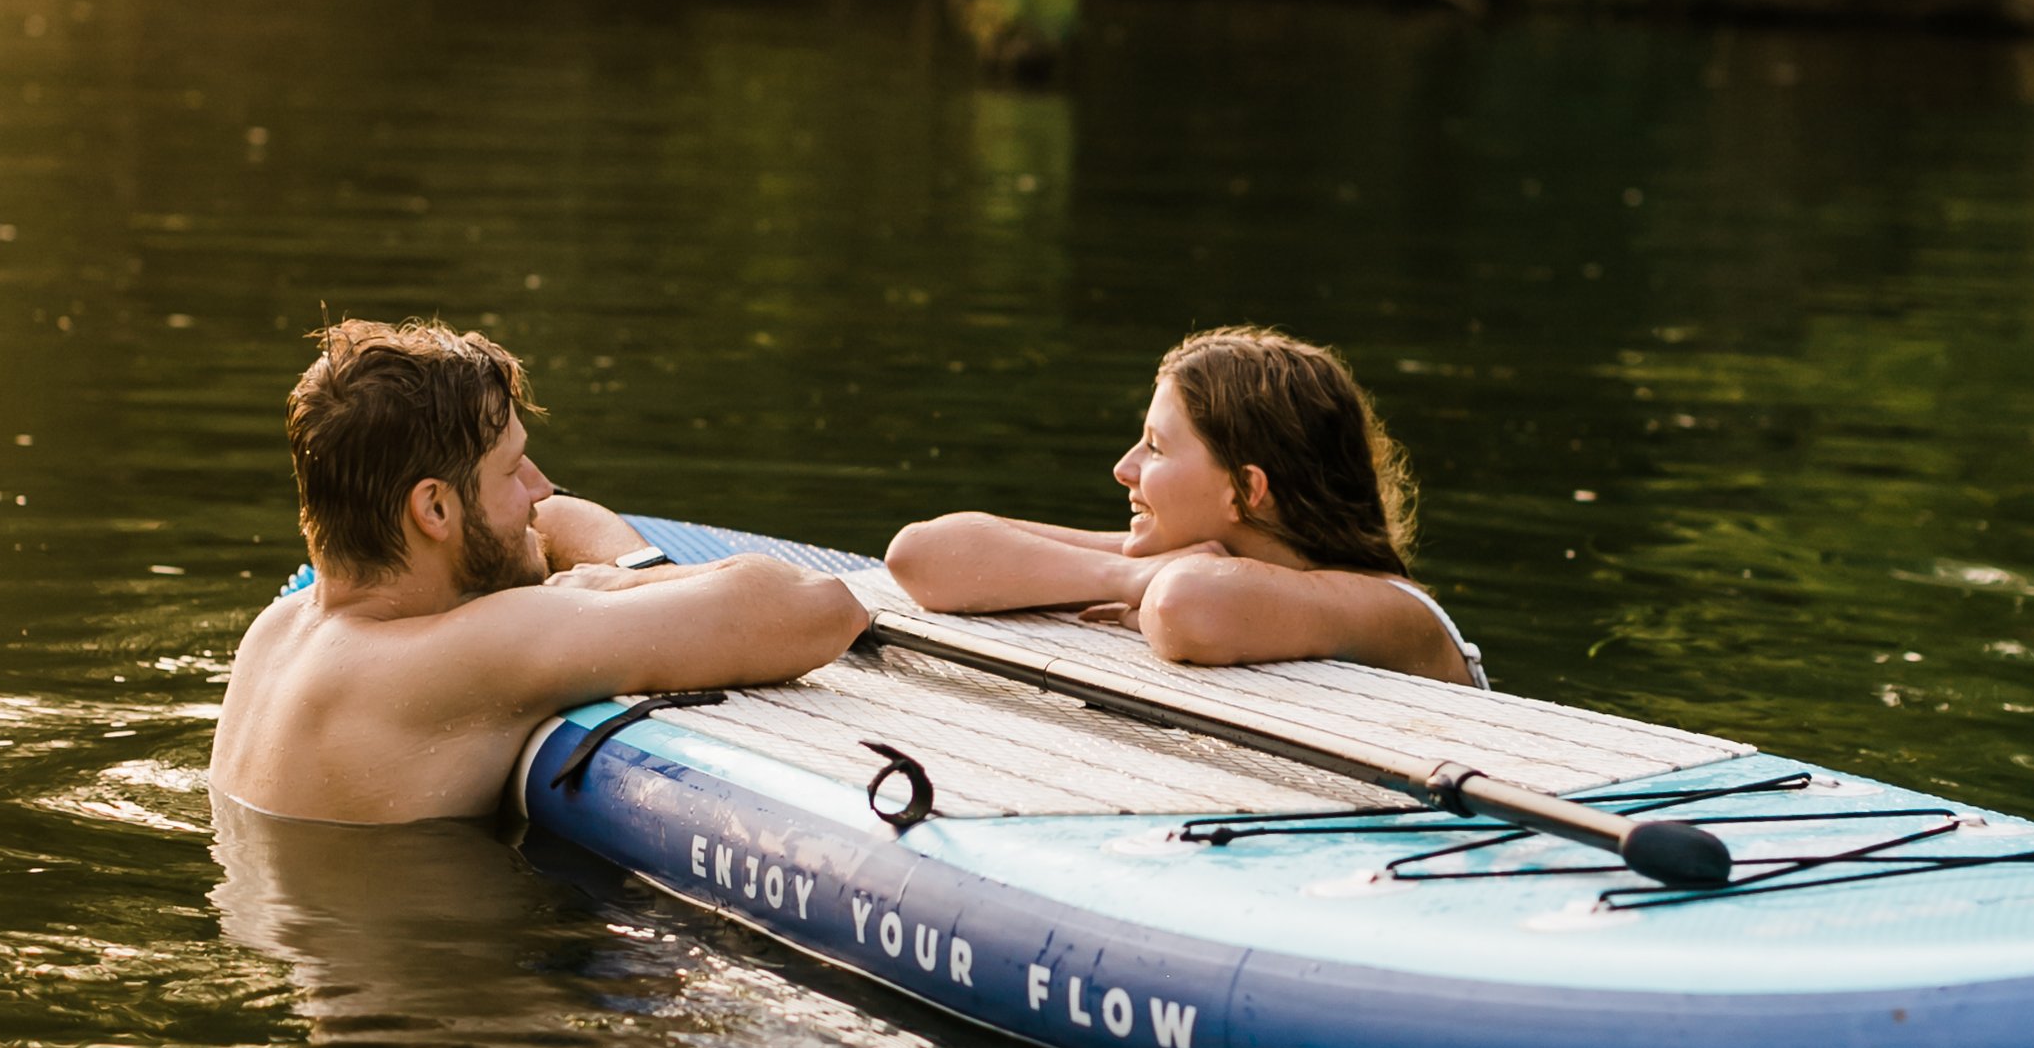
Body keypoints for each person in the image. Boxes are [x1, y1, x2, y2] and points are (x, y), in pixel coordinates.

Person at [212, 318, 865, 823]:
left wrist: (603, 574)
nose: (542, 486)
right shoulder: (473, 647)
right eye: (513, 468)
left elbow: (547, 523)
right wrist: (615, 586)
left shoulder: (277, 632)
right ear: (434, 508)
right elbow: (817, 608)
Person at [884, 323, 1479, 682]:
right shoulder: (1174, 559)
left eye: (1156, 449)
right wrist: (1124, 573)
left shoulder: (1392, 610)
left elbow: (1188, 606)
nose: (1124, 469)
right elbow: (919, 555)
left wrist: (1141, 584)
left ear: (1245, 491)